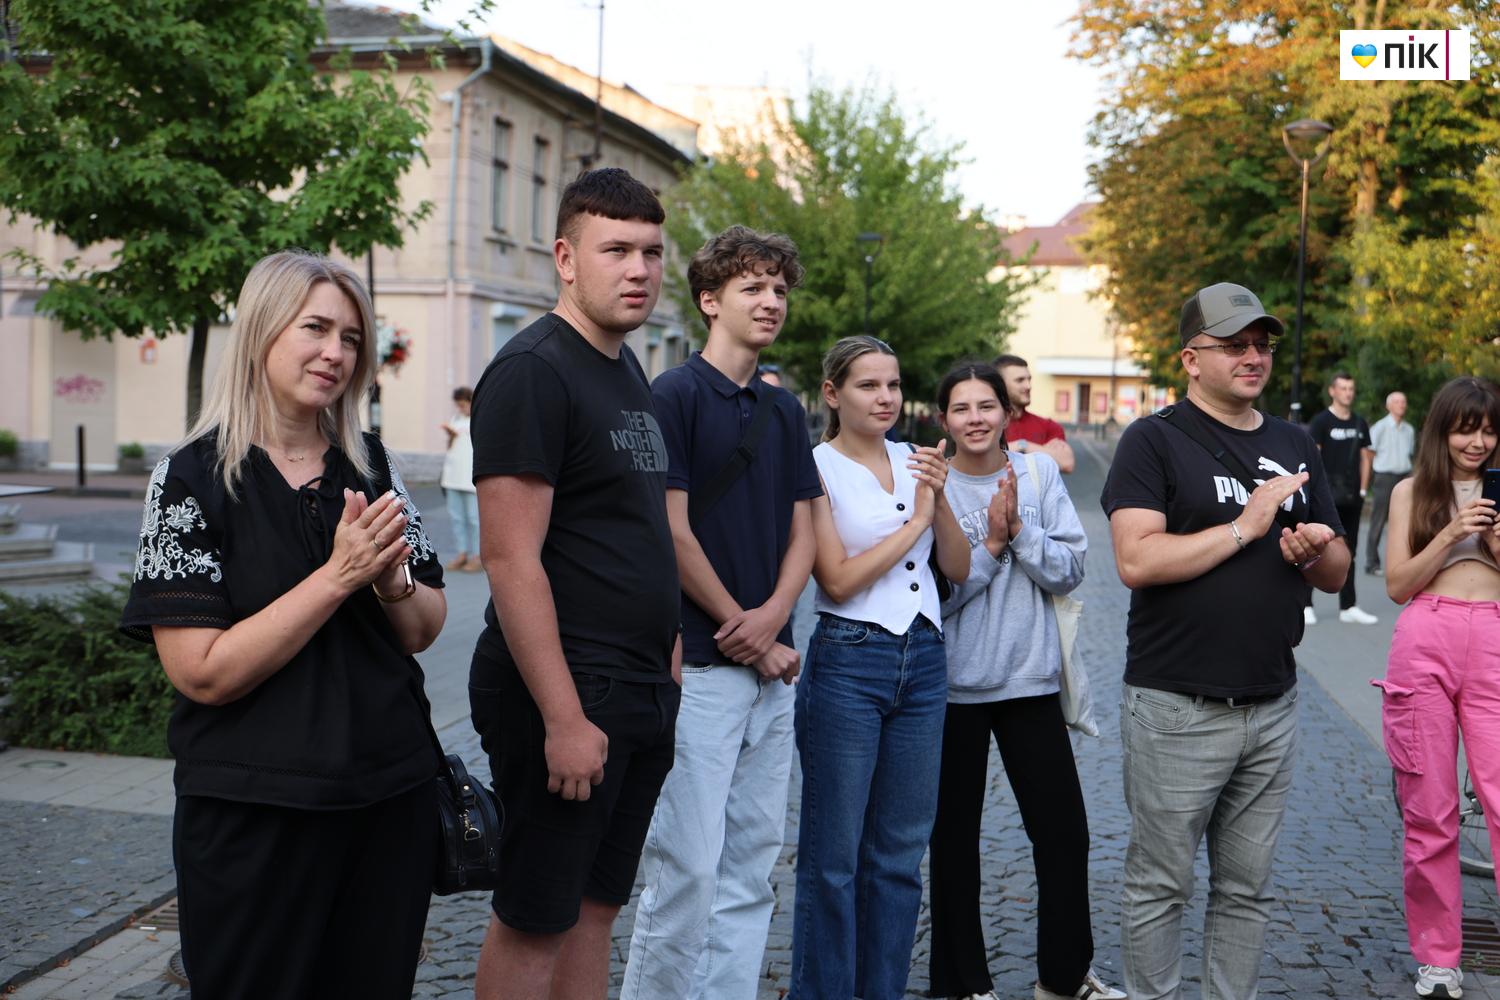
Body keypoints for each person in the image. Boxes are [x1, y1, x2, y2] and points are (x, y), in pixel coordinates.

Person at [119, 250, 447, 999]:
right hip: (253, 815)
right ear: (264, 330)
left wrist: (392, 582)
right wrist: (338, 577)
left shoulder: (374, 469)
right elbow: (202, 670)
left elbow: (425, 627)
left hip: (386, 802)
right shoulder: (191, 479)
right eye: (316, 329)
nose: (336, 352)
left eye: (353, 337)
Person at [467, 167, 682, 1000]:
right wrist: (562, 716)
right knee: (536, 915)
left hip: (636, 688)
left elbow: (634, 529)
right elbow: (511, 557)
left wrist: (663, 656)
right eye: (616, 249)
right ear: (565, 256)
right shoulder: (533, 371)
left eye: (652, 252)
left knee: (595, 908)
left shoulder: (627, 371)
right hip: (567, 692)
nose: (639, 269)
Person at [1100, 281, 1349, 1000]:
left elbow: (1334, 574)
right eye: (1234, 344)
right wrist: (1247, 524)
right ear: (1190, 357)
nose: (1252, 356)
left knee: (1247, 890)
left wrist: (1312, 546)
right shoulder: (1154, 439)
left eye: (1262, 344)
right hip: (1177, 704)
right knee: (1160, 885)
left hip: (1271, 703)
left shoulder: (1294, 442)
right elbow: (1136, 560)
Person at [621, 226, 819, 1000]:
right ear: (710, 301)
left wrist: (772, 617)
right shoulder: (671, 395)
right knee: (687, 867)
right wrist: (748, 628)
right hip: (700, 666)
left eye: (779, 289)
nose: (771, 301)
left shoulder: (784, 407)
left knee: (752, 864)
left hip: (773, 668)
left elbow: (807, 526)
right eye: (753, 288)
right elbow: (669, 530)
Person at [926, 363, 1124, 1000]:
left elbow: (1069, 571)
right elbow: (932, 599)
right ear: (943, 419)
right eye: (961, 408)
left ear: (1008, 415)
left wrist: (1020, 531)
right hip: (953, 690)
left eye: (988, 405)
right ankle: (963, 984)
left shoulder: (1036, 474)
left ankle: (1063, 979)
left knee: (1065, 836)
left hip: (1030, 683)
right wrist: (988, 546)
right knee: (953, 844)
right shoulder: (931, 486)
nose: (976, 418)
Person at [790, 335, 970, 1000]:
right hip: (848, 659)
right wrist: (914, 520)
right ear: (833, 394)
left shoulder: (915, 459)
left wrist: (939, 500)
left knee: (898, 858)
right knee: (833, 861)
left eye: (892, 384)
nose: (886, 397)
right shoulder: (816, 468)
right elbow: (835, 580)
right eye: (868, 385)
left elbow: (954, 566)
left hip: (923, 659)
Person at [1375, 375, 1500, 1000]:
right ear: (1441, 431)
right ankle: (1439, 958)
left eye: (1487, 429)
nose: (1476, 441)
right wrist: (1452, 533)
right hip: (1426, 638)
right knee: (1431, 810)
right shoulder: (1410, 493)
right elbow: (1399, 584)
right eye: (1464, 428)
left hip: (1496, 643)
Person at [1304, 372, 1377, 624]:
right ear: (1333, 391)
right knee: (1316, 550)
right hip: (1325, 498)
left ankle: (1348, 606)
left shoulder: (1359, 423)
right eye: (1343, 388)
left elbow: (1366, 457)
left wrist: (1363, 489)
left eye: (1351, 388)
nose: (1348, 392)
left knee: (1350, 551)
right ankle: (1306, 604)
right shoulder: (1321, 422)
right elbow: (1313, 459)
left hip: (1352, 498)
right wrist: (1314, 493)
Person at [994, 354, 1076, 473]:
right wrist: (1041, 450)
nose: (1028, 386)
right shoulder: (988, 423)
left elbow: (1066, 464)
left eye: (1029, 379)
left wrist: (1023, 445)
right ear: (1000, 385)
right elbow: (979, 460)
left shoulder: (1049, 426)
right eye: (1020, 380)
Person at [1365, 390, 1416, 576]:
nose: (1402, 405)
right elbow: (1369, 454)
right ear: (1389, 405)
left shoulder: (1409, 430)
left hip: (1404, 475)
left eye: (1403, 401)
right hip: (1384, 477)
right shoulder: (1379, 427)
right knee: (1378, 520)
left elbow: (1410, 454)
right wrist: (1367, 482)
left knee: (1408, 520)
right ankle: (1372, 562)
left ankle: (1407, 562)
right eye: (1397, 401)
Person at [439, 385, 481, 571]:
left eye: (463, 404)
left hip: (470, 476)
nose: (461, 408)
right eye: (458, 405)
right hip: (453, 475)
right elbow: (451, 446)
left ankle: (477, 556)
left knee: (474, 518)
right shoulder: (456, 419)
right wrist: (451, 435)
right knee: (457, 517)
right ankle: (462, 553)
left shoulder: (480, 419)